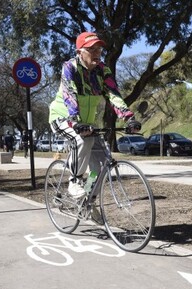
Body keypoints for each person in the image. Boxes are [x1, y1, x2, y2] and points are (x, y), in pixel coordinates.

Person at [48, 31, 140, 204]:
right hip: (62, 117)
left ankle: (87, 204)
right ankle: (74, 181)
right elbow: (70, 94)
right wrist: (75, 121)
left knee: (99, 167)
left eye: (99, 49)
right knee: (83, 140)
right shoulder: (70, 67)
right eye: (91, 49)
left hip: (87, 125)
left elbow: (113, 94)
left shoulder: (102, 71)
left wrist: (129, 117)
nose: (97, 53)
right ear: (80, 52)